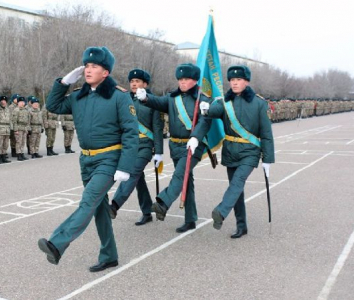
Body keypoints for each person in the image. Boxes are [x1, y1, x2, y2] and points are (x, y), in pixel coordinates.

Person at [38, 46, 138, 272]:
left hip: (109, 159)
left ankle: (57, 243)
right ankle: (109, 255)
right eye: (87, 66)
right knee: (99, 208)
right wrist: (62, 83)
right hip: (87, 160)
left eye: (95, 66)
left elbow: (132, 133)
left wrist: (125, 166)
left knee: (88, 200)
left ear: (106, 72)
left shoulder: (119, 97)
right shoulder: (78, 97)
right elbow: (52, 106)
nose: (89, 70)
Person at [192, 65, 275, 238]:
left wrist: (267, 159)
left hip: (250, 151)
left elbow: (266, 134)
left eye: (239, 80)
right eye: (232, 80)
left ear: (246, 81)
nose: (235, 83)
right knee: (236, 190)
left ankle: (221, 212)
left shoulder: (259, 103)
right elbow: (212, 112)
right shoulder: (223, 102)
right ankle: (241, 226)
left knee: (237, 183)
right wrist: (205, 107)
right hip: (230, 151)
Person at [135, 63, 210, 233]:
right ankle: (190, 219)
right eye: (180, 79)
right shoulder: (172, 97)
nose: (182, 82)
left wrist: (196, 137)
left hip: (194, 145)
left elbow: (206, 121)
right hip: (175, 144)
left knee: (180, 175)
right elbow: (158, 102)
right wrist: (145, 97)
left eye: (187, 79)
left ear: (195, 80)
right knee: (186, 181)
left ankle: (163, 203)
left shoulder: (202, 99)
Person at [109, 68, 164, 226]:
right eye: (132, 81)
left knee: (132, 173)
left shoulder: (153, 102)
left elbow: (158, 128)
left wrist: (159, 152)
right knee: (138, 180)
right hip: (128, 146)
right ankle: (147, 212)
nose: (134, 84)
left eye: (137, 81)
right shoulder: (125, 99)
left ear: (145, 84)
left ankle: (114, 205)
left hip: (145, 146)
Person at [12, 96, 30, 161]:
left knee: (23, 142)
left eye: (23, 102)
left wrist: (27, 129)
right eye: (21, 102)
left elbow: (28, 120)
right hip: (19, 128)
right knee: (18, 142)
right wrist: (15, 129)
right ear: (18, 103)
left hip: (24, 128)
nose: (22, 103)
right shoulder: (16, 110)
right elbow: (14, 121)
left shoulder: (26, 110)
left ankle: (22, 153)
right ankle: (19, 154)